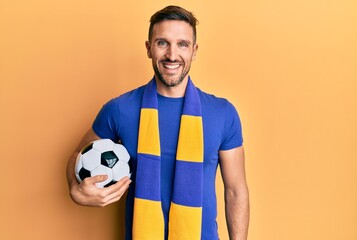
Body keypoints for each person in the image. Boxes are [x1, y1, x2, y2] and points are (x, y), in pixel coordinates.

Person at [66, 5, 249, 240]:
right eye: (162, 43)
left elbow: (235, 191)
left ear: (194, 51)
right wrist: (75, 189)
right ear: (148, 48)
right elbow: (76, 155)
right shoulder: (120, 109)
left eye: (182, 44)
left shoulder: (223, 113)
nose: (172, 55)